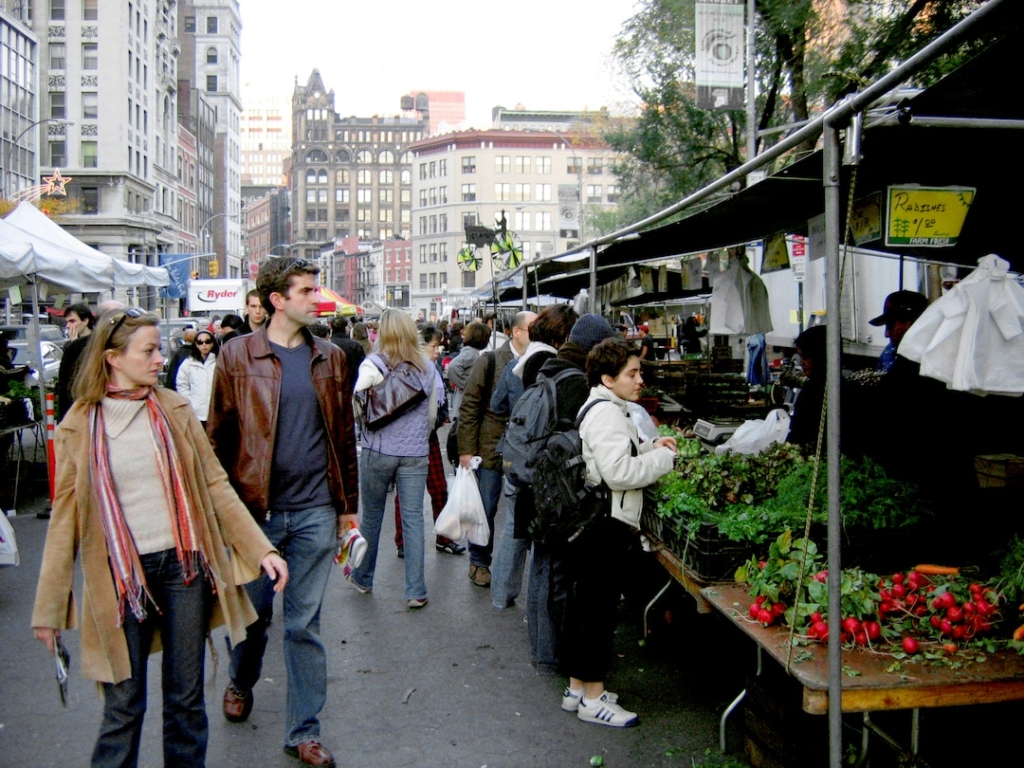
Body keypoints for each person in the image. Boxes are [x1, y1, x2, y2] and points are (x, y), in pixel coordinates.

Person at [31, 307, 288, 768]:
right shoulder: (79, 425)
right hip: (118, 580)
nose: (159, 360)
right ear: (112, 358)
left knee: (186, 700)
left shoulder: (172, 409)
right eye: (148, 351)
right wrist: (49, 610)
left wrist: (260, 548)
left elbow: (214, 486)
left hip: (183, 568)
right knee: (123, 705)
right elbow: (64, 522)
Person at [207, 256, 359, 768]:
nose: (317, 299)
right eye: (307, 291)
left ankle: (303, 732)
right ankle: (240, 678)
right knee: (253, 618)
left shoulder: (332, 357)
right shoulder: (235, 354)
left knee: (304, 625)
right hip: (257, 514)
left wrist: (347, 508)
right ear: (277, 300)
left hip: (315, 509)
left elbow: (343, 437)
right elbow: (219, 436)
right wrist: (223, 515)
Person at [560, 338, 676, 727]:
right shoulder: (607, 413)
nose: (640, 379)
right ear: (608, 378)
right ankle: (594, 700)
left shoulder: (606, 406)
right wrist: (663, 459)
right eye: (632, 373)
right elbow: (618, 473)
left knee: (585, 609)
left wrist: (648, 446)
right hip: (605, 525)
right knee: (597, 613)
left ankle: (578, 688)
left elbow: (616, 455)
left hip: (593, 523)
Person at [523, 314, 618, 675]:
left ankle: (541, 646)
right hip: (559, 492)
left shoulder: (546, 369)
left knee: (543, 568)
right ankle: (549, 655)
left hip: (538, 484)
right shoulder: (577, 383)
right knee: (556, 575)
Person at [349, 309, 442, 608]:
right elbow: (431, 416)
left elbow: (357, 402)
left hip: (378, 451)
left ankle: (363, 578)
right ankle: (416, 589)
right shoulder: (427, 368)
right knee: (414, 520)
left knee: (373, 517)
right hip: (415, 453)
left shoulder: (373, 364)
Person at [490, 305, 574, 610]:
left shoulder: (520, 362)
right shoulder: (552, 364)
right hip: (537, 459)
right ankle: (523, 600)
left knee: (514, 528)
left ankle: (502, 592)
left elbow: (497, 404)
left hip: (516, 453)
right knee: (533, 533)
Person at [457, 311, 535, 588]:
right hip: (490, 446)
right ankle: (479, 562)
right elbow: (469, 406)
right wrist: (466, 450)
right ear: (516, 331)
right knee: (485, 508)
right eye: (531, 328)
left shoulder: (538, 361)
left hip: (523, 450)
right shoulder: (489, 360)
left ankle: (509, 569)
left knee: (521, 511)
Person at [392, 323, 465, 559]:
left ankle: (443, 537)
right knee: (406, 493)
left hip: (427, 437)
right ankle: (403, 541)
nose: (437, 351)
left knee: (439, 489)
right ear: (420, 345)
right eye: (434, 346)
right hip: (407, 439)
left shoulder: (430, 368)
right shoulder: (407, 369)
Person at [869, 290, 929, 373]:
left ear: (912, 324)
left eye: (891, 325)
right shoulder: (890, 351)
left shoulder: (928, 361)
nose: (887, 334)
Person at [56, 302, 96, 421]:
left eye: (72, 321)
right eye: (67, 322)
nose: (68, 326)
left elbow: (86, 367)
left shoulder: (96, 342)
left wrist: (75, 344)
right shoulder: (70, 344)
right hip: (70, 401)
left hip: (88, 399)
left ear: (85, 321)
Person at [447, 321, 490, 420]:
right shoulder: (470, 353)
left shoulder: (471, 352)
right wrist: (467, 384)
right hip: (465, 402)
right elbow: (453, 366)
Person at [176, 329, 219, 426]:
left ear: (212, 343)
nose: (204, 345)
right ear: (196, 344)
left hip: (215, 412)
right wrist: (190, 401)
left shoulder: (219, 362)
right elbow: (181, 384)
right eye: (200, 342)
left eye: (207, 342)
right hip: (196, 413)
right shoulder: (188, 363)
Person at [328, 315, 366, 391]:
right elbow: (362, 367)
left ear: (331, 327)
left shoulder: (326, 345)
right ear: (346, 328)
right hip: (352, 385)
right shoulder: (355, 346)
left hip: (332, 386)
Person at [165, 327, 196, 392]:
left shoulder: (178, 352)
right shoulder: (198, 352)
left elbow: (172, 370)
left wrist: (170, 387)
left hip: (179, 386)